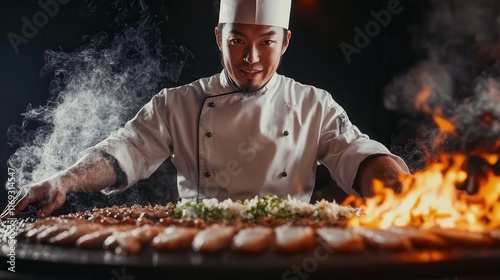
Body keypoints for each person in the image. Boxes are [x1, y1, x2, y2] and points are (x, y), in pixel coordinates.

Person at [2, 0, 409, 219]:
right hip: (198, 245)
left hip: (289, 247)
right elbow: (125, 150)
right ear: (219, 37)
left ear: (285, 42)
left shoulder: (312, 104)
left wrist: (399, 185)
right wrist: (65, 181)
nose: (251, 57)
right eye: (237, 41)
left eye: (266, 42)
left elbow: (355, 153)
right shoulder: (176, 103)